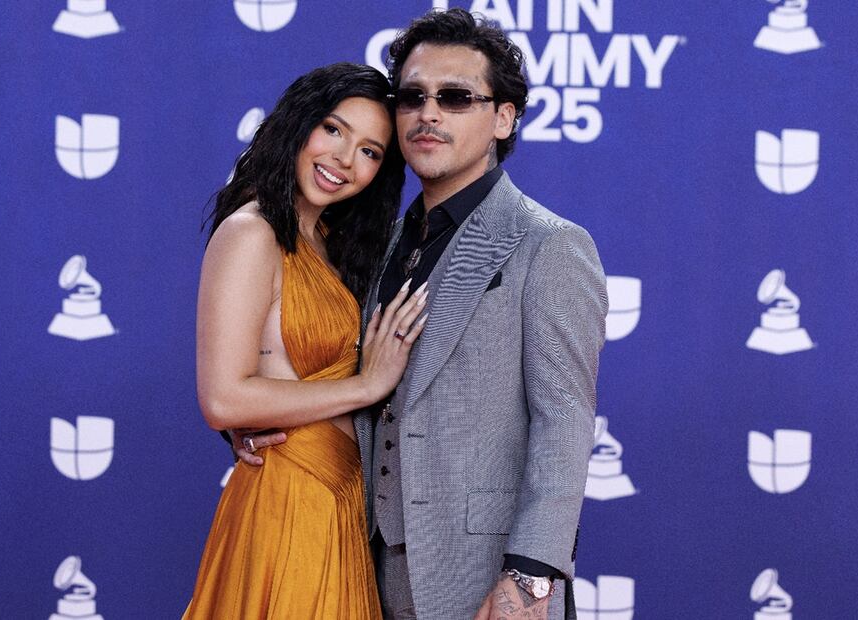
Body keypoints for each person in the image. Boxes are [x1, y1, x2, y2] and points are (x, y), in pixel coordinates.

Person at [235, 10, 609, 620]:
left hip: (486, 579)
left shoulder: (549, 246)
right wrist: (259, 421)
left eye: (456, 97)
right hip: (358, 568)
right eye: (413, 96)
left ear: (503, 117)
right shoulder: (371, 243)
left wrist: (532, 578)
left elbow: (564, 427)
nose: (428, 113)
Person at [183, 63, 427, 619]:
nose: (344, 159)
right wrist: (367, 385)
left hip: (338, 499)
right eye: (334, 130)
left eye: (370, 151)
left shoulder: (324, 241)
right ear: (298, 124)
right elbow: (223, 398)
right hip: (289, 498)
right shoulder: (252, 232)